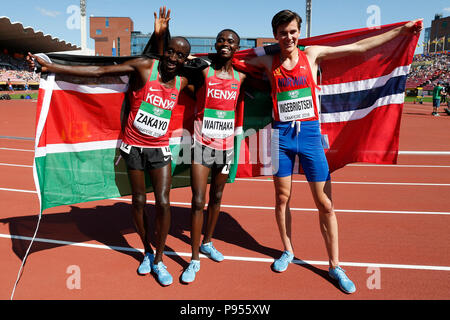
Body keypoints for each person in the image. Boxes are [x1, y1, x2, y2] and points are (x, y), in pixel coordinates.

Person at [244, 10, 422, 294]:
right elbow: (231, 59)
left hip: (311, 136)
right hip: (281, 137)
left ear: (298, 32)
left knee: (325, 203)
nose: (288, 37)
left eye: (292, 31)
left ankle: (335, 265)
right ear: (275, 35)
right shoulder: (269, 60)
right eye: (282, 32)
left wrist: (400, 32)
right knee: (281, 197)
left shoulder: (311, 54)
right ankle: (288, 250)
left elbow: (358, 47)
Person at [27, 7, 191, 287]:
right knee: (139, 201)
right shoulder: (143, 67)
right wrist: (51, 67)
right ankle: (147, 252)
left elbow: (219, 81)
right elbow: (100, 70)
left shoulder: (184, 80)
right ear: (164, 52)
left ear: (185, 60)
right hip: (134, 148)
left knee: (163, 202)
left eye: (180, 55)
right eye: (171, 52)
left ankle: (161, 259)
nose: (174, 58)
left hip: (160, 149)